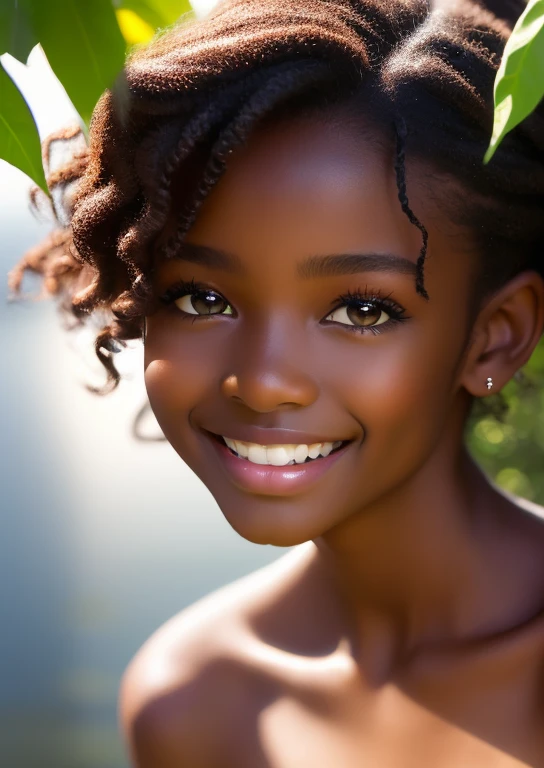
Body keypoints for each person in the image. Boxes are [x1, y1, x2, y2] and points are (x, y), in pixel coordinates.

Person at [8, 0, 544, 764]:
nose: (262, 382)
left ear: (498, 335)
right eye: (202, 298)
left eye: (361, 310)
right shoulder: (193, 703)